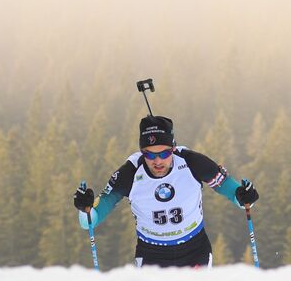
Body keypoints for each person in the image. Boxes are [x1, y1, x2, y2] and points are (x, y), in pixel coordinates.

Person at [73, 115, 258, 268]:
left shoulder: (192, 163)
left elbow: (229, 189)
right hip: (152, 255)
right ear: (142, 151)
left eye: (164, 153)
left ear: (173, 148)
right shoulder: (130, 173)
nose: (158, 161)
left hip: (194, 250)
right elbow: (91, 219)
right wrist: (85, 209)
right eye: (150, 154)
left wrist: (243, 196)